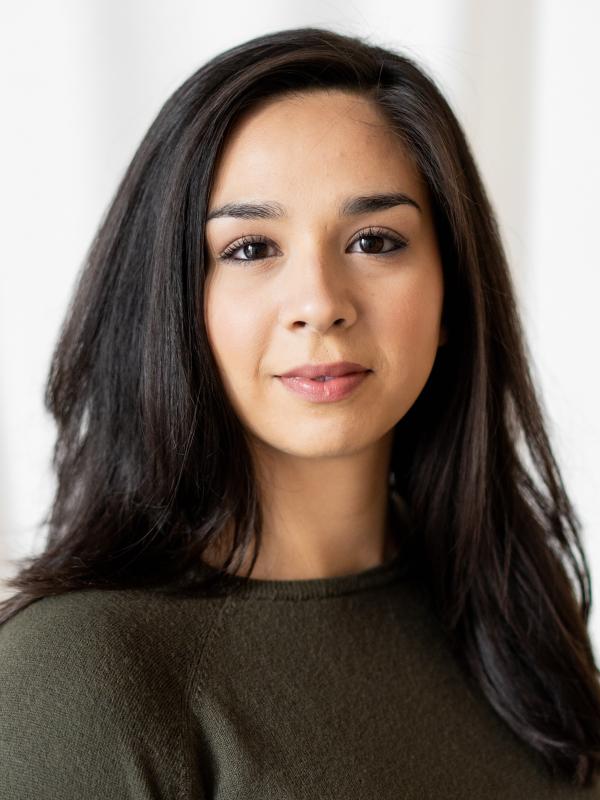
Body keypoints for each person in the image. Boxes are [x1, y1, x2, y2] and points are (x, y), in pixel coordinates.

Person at [0, 26, 599, 799]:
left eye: (375, 240)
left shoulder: (514, 626)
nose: (319, 303)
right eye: (251, 248)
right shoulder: (80, 673)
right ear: (172, 301)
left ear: (452, 289)